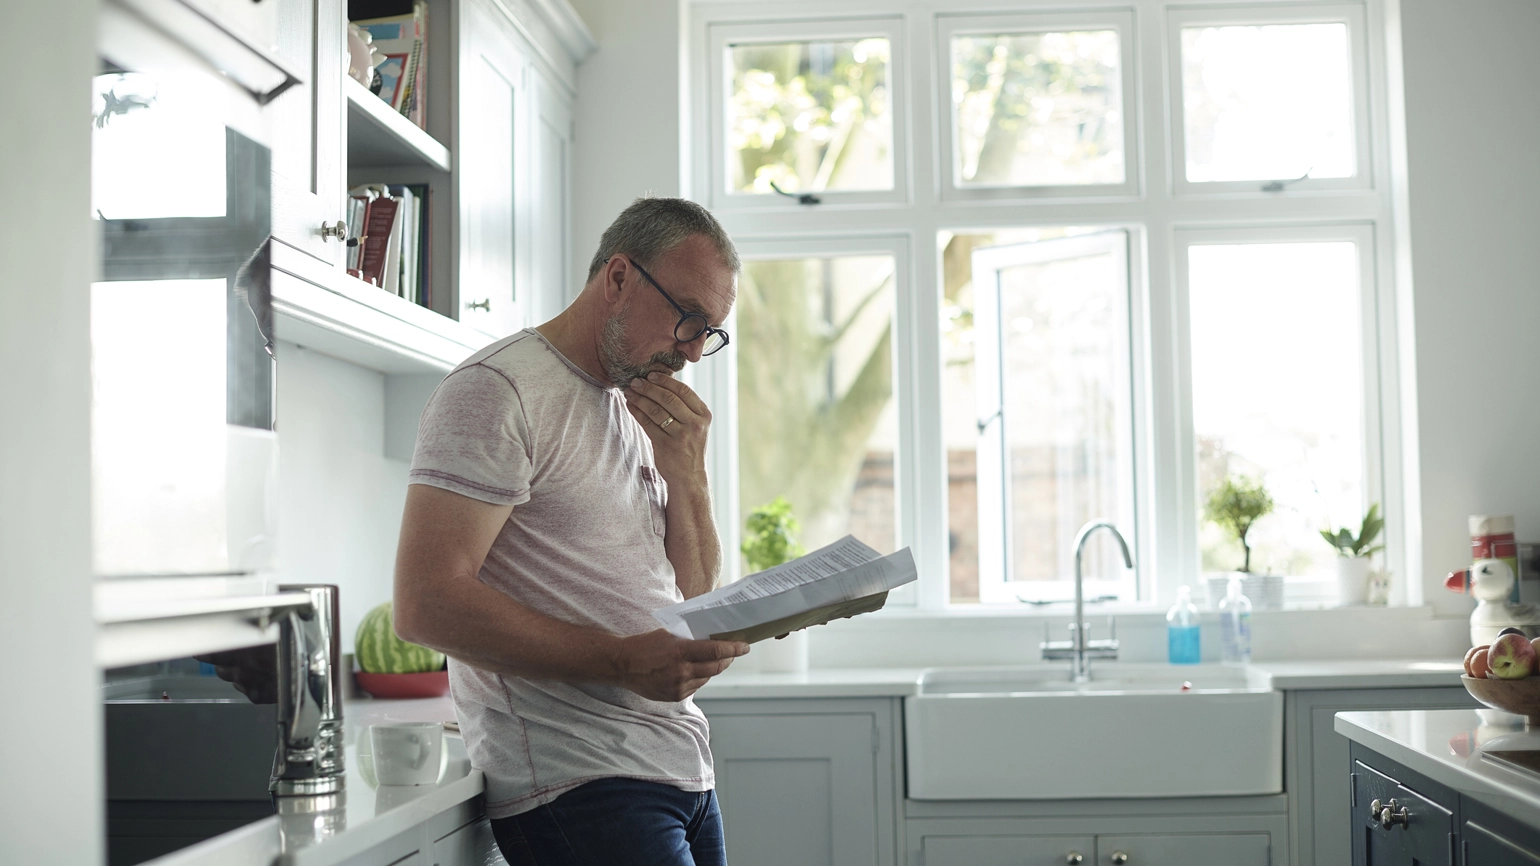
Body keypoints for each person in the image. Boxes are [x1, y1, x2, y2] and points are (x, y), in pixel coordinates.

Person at [392, 196, 749, 866]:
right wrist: (621, 660)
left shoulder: (636, 402)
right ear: (618, 278)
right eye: (688, 319)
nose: (695, 352)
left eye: (711, 331)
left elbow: (692, 596)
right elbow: (425, 602)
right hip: (581, 784)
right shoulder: (499, 390)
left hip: (682, 770)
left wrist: (689, 475)